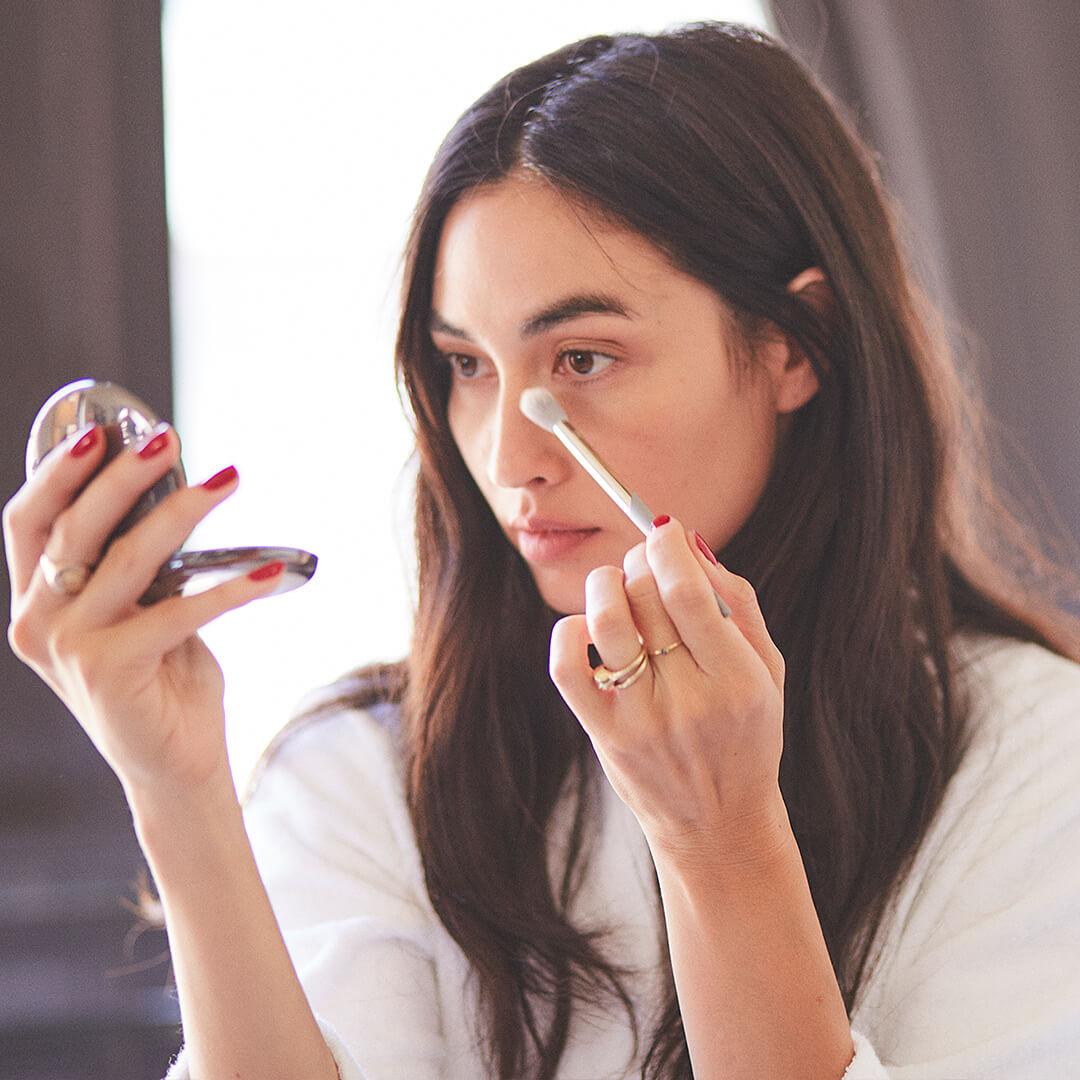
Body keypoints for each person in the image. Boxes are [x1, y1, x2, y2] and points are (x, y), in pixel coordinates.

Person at [5, 21, 1079, 1080]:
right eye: (467, 365)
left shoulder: (1033, 764)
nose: (511, 453)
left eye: (583, 357)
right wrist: (176, 789)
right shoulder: (369, 771)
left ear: (794, 344)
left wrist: (727, 849)